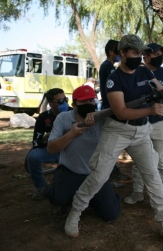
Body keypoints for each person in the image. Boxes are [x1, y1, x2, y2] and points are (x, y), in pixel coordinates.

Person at [64, 34, 163, 248]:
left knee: (153, 177)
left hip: (141, 132)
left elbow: (160, 92)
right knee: (99, 175)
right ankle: (75, 212)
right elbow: (120, 112)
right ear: (122, 53)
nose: (139, 57)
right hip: (117, 130)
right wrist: (149, 109)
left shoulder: (145, 70)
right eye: (135, 53)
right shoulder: (113, 78)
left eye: (141, 53)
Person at [46, 85, 121, 220]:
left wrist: (99, 114)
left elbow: (120, 110)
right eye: (83, 101)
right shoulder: (63, 118)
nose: (88, 104)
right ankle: (66, 196)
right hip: (71, 171)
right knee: (58, 199)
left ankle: (99, 196)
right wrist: (71, 134)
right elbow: (51, 149)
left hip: (95, 173)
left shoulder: (103, 118)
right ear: (74, 104)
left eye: (91, 101)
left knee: (111, 214)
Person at [124, 43, 163, 207]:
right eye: (155, 54)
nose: (159, 56)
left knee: (162, 161)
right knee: (139, 160)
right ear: (146, 56)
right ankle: (138, 193)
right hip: (139, 123)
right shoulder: (136, 73)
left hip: (160, 123)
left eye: (161, 54)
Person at [27, 88, 69, 200]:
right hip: (52, 149)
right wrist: (47, 139)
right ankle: (40, 187)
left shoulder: (73, 113)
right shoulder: (44, 117)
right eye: (60, 101)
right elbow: (36, 142)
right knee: (32, 156)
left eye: (65, 99)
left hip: (71, 150)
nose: (64, 103)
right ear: (51, 104)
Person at [98, 39, 129, 184]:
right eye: (118, 51)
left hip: (109, 107)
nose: (120, 55)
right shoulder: (108, 67)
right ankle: (108, 178)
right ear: (111, 52)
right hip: (109, 108)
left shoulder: (108, 66)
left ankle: (114, 172)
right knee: (109, 145)